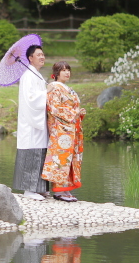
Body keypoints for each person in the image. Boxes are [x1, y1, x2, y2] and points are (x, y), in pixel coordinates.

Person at [42, 62, 86, 202]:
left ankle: (66, 189)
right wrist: (74, 112)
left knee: (70, 159)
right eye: (63, 70)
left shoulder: (67, 88)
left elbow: (72, 107)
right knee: (61, 158)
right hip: (60, 129)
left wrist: (79, 113)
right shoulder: (54, 88)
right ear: (56, 73)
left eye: (68, 70)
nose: (67, 73)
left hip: (70, 127)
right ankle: (59, 191)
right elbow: (54, 109)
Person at [12, 44, 50, 201]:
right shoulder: (27, 75)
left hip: (39, 120)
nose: (42, 57)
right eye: (38, 55)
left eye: (43, 54)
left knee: (40, 152)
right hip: (31, 122)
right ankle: (28, 190)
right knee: (31, 153)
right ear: (30, 58)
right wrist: (47, 92)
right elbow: (31, 99)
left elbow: (40, 95)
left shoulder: (37, 75)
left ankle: (39, 188)